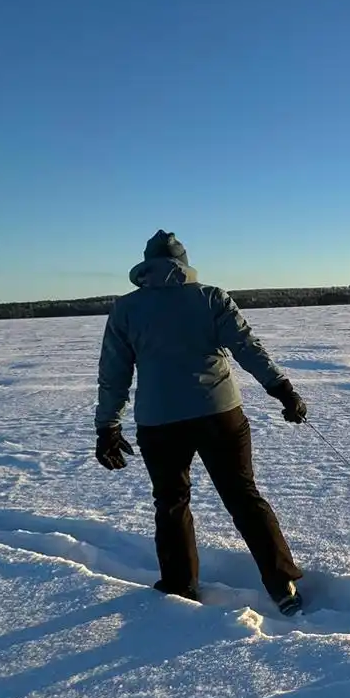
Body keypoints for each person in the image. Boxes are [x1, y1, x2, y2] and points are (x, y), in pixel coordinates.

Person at [93, 230, 309, 615]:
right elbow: (247, 346)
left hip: (159, 423)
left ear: (146, 265)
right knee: (243, 496)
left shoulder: (126, 308)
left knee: (172, 501)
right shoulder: (210, 297)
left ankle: (180, 587)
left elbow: (114, 373)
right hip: (219, 414)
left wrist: (107, 426)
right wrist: (282, 389)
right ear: (184, 262)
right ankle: (283, 584)